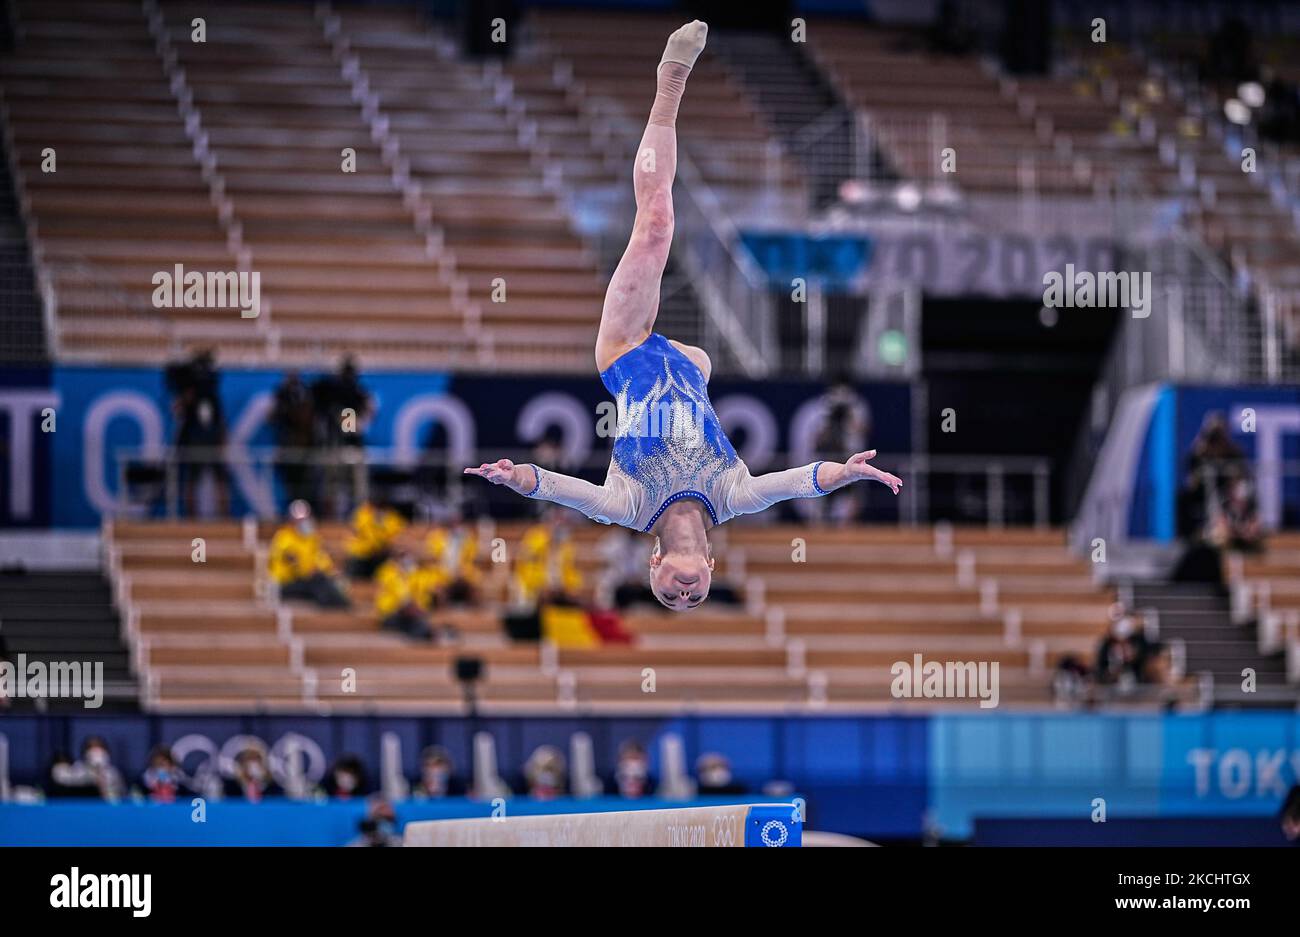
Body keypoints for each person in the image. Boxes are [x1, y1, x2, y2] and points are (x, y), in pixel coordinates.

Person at [464, 21, 902, 612]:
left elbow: (564, 490)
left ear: (656, 563)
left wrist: (516, 477)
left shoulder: (630, 505)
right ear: (712, 566)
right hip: (691, 367)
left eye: (670, 593)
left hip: (625, 350)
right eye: (694, 597)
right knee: (661, 231)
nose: (685, 595)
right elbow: (799, 480)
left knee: (656, 228)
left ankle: (670, 81)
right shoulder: (734, 493)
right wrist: (847, 473)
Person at [166, 348, 230, 516]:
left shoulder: (212, 394)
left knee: (220, 479)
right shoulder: (189, 396)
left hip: (212, 440)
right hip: (195, 440)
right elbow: (177, 409)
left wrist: (222, 439)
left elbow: (220, 420)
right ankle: (191, 516)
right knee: (192, 480)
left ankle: (224, 515)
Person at [268, 499, 351, 609]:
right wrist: (310, 572)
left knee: (328, 580)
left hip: (306, 579)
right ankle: (338, 603)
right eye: (299, 520)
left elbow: (321, 558)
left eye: (305, 519)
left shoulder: (312, 539)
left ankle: (339, 602)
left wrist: (330, 571)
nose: (303, 522)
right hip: (287, 583)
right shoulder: (283, 538)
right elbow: (292, 561)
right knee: (318, 583)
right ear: (291, 520)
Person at [270, 370, 318, 508]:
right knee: (292, 488)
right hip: (289, 449)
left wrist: (349, 429)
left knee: (308, 487)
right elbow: (273, 418)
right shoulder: (282, 396)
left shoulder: (347, 409)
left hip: (309, 451)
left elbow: (348, 424)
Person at [373, 549, 436, 641]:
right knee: (413, 620)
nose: (406, 561)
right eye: (402, 558)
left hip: (413, 615)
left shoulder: (417, 576)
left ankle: (421, 634)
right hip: (392, 614)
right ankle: (423, 634)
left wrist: (417, 606)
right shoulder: (387, 574)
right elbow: (385, 601)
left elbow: (423, 597)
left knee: (416, 619)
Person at [345, 499, 407, 580]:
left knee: (386, 567)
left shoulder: (392, 517)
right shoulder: (363, 513)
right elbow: (356, 531)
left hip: (381, 554)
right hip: (362, 554)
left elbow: (395, 535)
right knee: (356, 567)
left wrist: (380, 544)